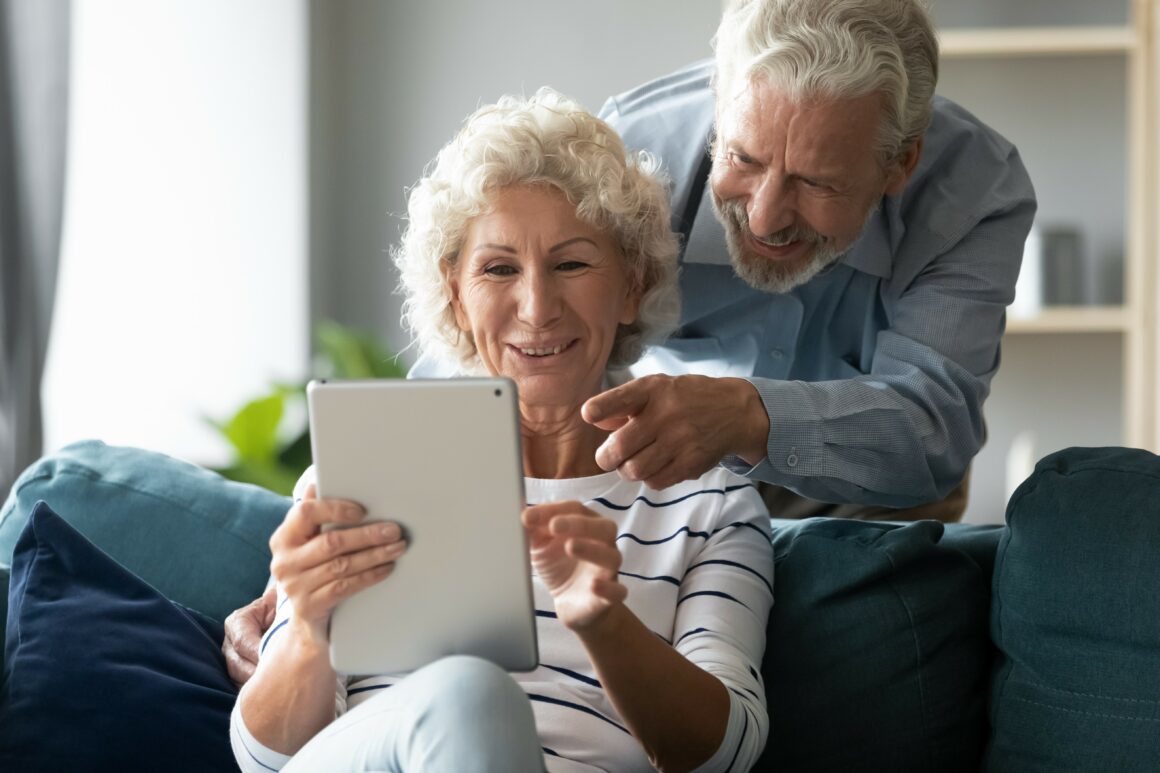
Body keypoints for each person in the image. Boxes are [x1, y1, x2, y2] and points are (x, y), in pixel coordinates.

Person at [229, 90, 773, 773]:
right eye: (498, 268)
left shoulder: (710, 505)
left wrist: (604, 620)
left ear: (631, 286)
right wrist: (307, 629)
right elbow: (263, 758)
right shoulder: (365, 467)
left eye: (572, 264)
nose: (538, 308)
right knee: (467, 692)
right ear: (456, 294)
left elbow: (724, 754)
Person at [412, 0, 1037, 522]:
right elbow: (491, 337)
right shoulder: (630, 153)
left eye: (816, 183)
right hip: (669, 478)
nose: (765, 218)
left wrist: (749, 415)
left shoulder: (973, 190)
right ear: (720, 104)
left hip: (871, 494)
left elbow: (934, 427)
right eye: (744, 159)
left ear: (899, 163)